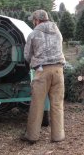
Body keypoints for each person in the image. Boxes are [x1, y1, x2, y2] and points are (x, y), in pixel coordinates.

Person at [21, 9, 66, 144]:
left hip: (42, 71)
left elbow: (27, 55)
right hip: (58, 71)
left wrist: (33, 63)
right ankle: (58, 136)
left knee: (37, 104)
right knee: (57, 104)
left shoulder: (33, 34)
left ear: (37, 20)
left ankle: (32, 136)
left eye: (33, 20)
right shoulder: (58, 32)